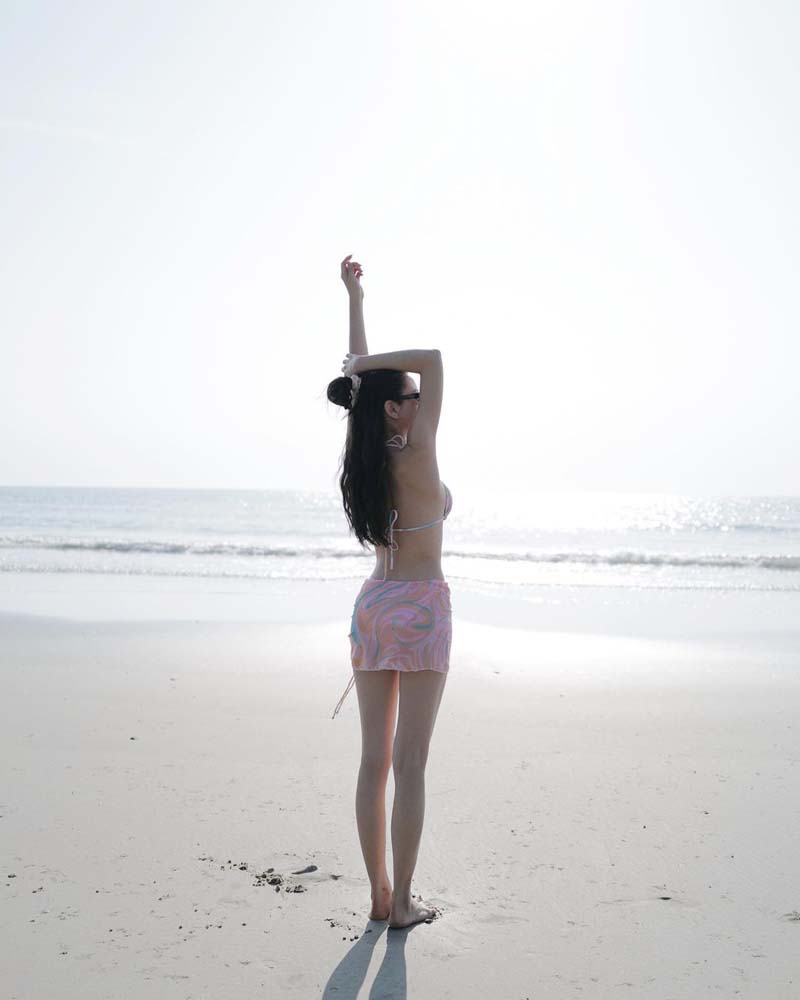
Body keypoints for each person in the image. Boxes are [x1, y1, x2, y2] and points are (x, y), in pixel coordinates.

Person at [325, 254, 453, 930]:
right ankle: (402, 903)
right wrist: (361, 363)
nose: (420, 400)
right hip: (422, 606)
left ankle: (378, 897)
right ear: (398, 408)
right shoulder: (419, 449)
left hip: (374, 606)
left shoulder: (366, 455)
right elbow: (432, 359)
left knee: (373, 762)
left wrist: (355, 299)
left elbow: (374, 384)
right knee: (410, 763)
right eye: (410, 396)